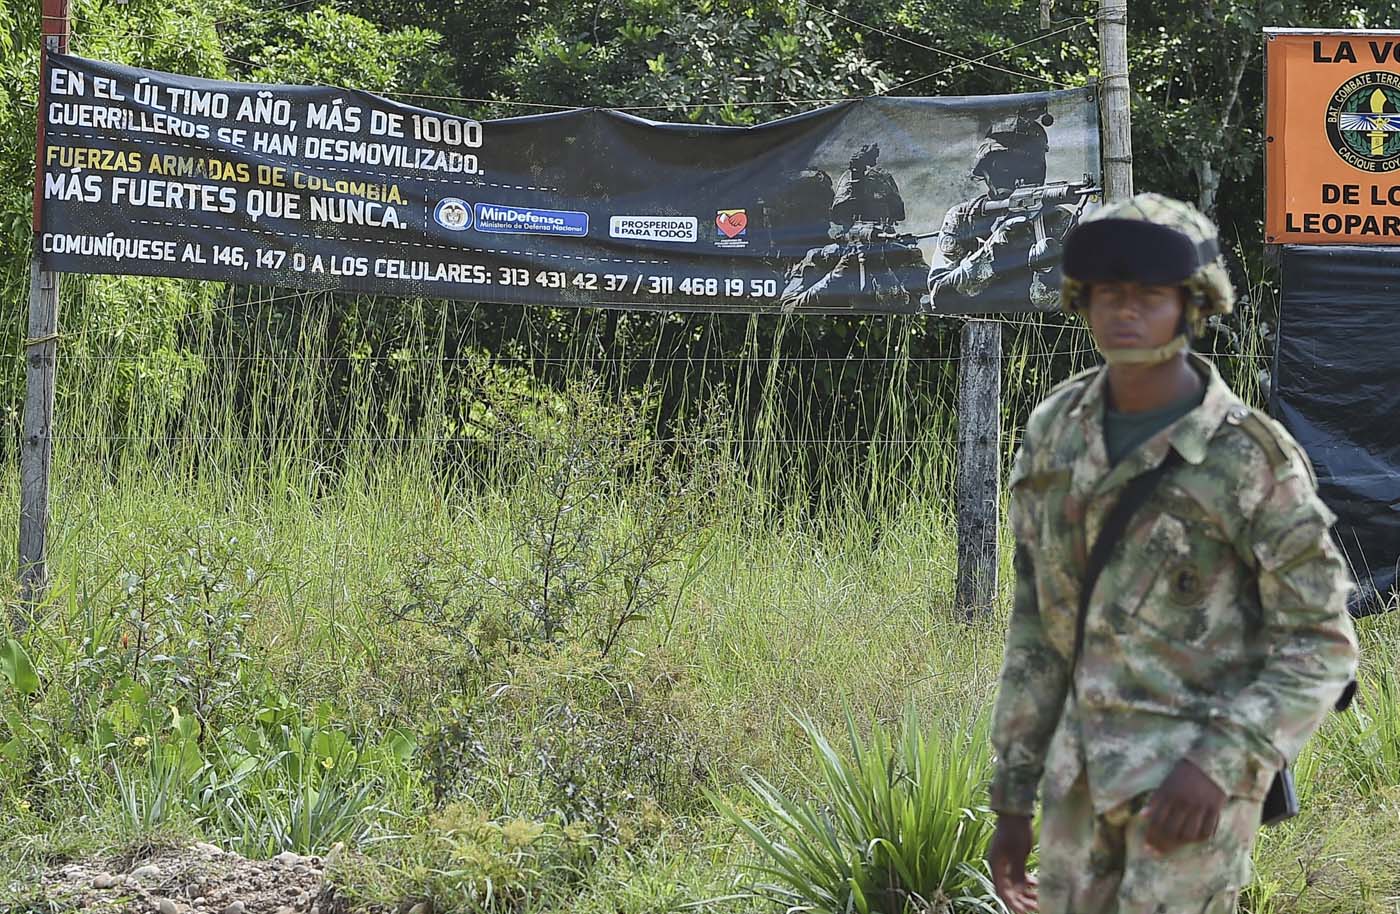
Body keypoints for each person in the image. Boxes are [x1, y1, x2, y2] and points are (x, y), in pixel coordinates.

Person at [986, 193, 1359, 914]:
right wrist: (1012, 797)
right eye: (1108, 293)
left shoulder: (1247, 456)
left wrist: (1218, 765)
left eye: (1149, 295)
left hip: (1185, 801)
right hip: (1077, 787)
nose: (1124, 312)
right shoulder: (1056, 430)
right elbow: (1036, 627)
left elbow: (1322, 643)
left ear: (1192, 306)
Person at [927, 107, 1086, 312]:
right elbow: (938, 295)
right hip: (976, 328)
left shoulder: (1059, 221)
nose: (1016, 174)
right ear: (986, 169)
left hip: (1039, 336)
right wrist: (992, 254)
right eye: (1005, 164)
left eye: (1026, 164)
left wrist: (1046, 271)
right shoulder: (963, 218)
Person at [778, 144, 928, 313]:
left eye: (873, 211)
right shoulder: (822, 258)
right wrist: (836, 277)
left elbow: (918, 310)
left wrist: (881, 269)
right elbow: (788, 308)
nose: (863, 220)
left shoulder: (906, 258)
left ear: (889, 214)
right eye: (852, 212)